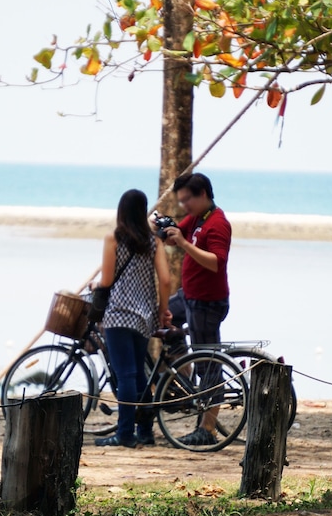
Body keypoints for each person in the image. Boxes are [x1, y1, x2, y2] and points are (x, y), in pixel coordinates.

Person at [94, 189, 173, 448]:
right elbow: (165, 280)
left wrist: (96, 286)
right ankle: (145, 431)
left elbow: (107, 281)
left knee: (126, 375)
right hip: (143, 316)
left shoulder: (113, 238)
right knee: (139, 374)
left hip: (118, 315)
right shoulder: (153, 242)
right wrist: (162, 310)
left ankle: (125, 434)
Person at [160, 172, 232, 447]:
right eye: (180, 201)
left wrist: (184, 243)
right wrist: (165, 230)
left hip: (207, 303)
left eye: (187, 199)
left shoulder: (217, 223)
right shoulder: (197, 218)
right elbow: (175, 235)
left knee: (209, 364)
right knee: (161, 320)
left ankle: (207, 428)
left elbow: (215, 262)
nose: (183, 206)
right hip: (188, 297)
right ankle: (184, 377)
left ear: (203, 194)